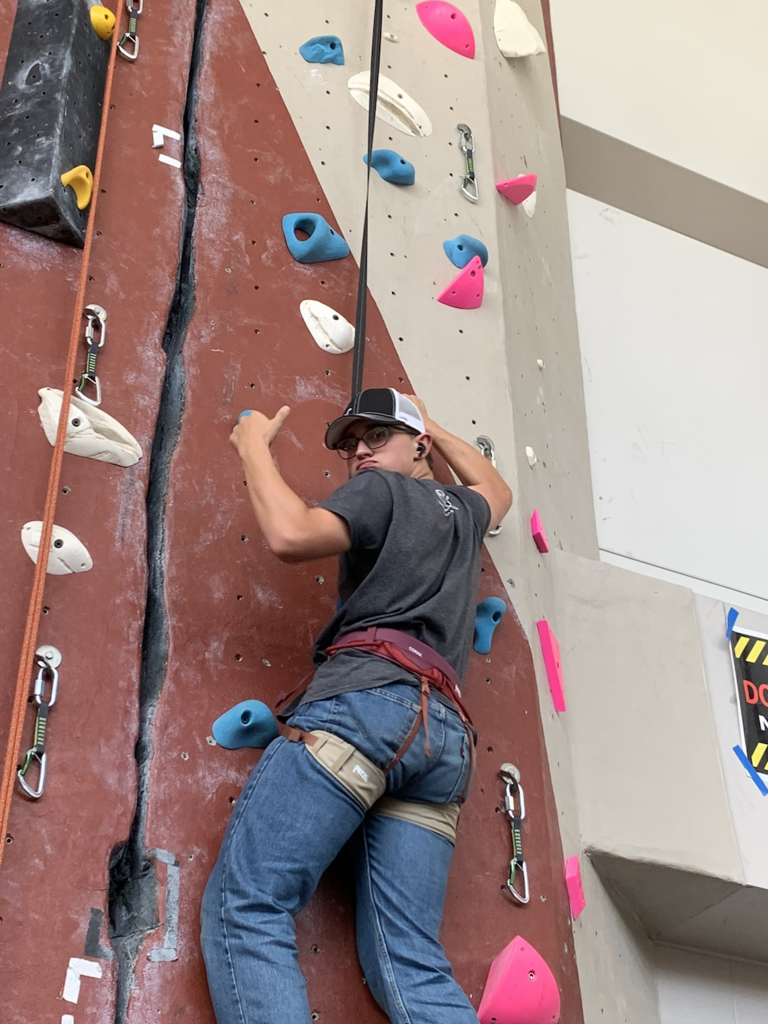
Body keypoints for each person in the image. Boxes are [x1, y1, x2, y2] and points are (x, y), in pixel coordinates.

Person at [201, 388, 513, 1024]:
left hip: (367, 706)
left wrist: (253, 447)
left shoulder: (383, 493)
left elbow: (290, 534)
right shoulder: (465, 512)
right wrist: (435, 425)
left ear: (417, 445)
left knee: (248, 904)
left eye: (377, 438)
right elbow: (498, 488)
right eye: (350, 446)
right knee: (411, 962)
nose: (360, 454)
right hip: (444, 743)